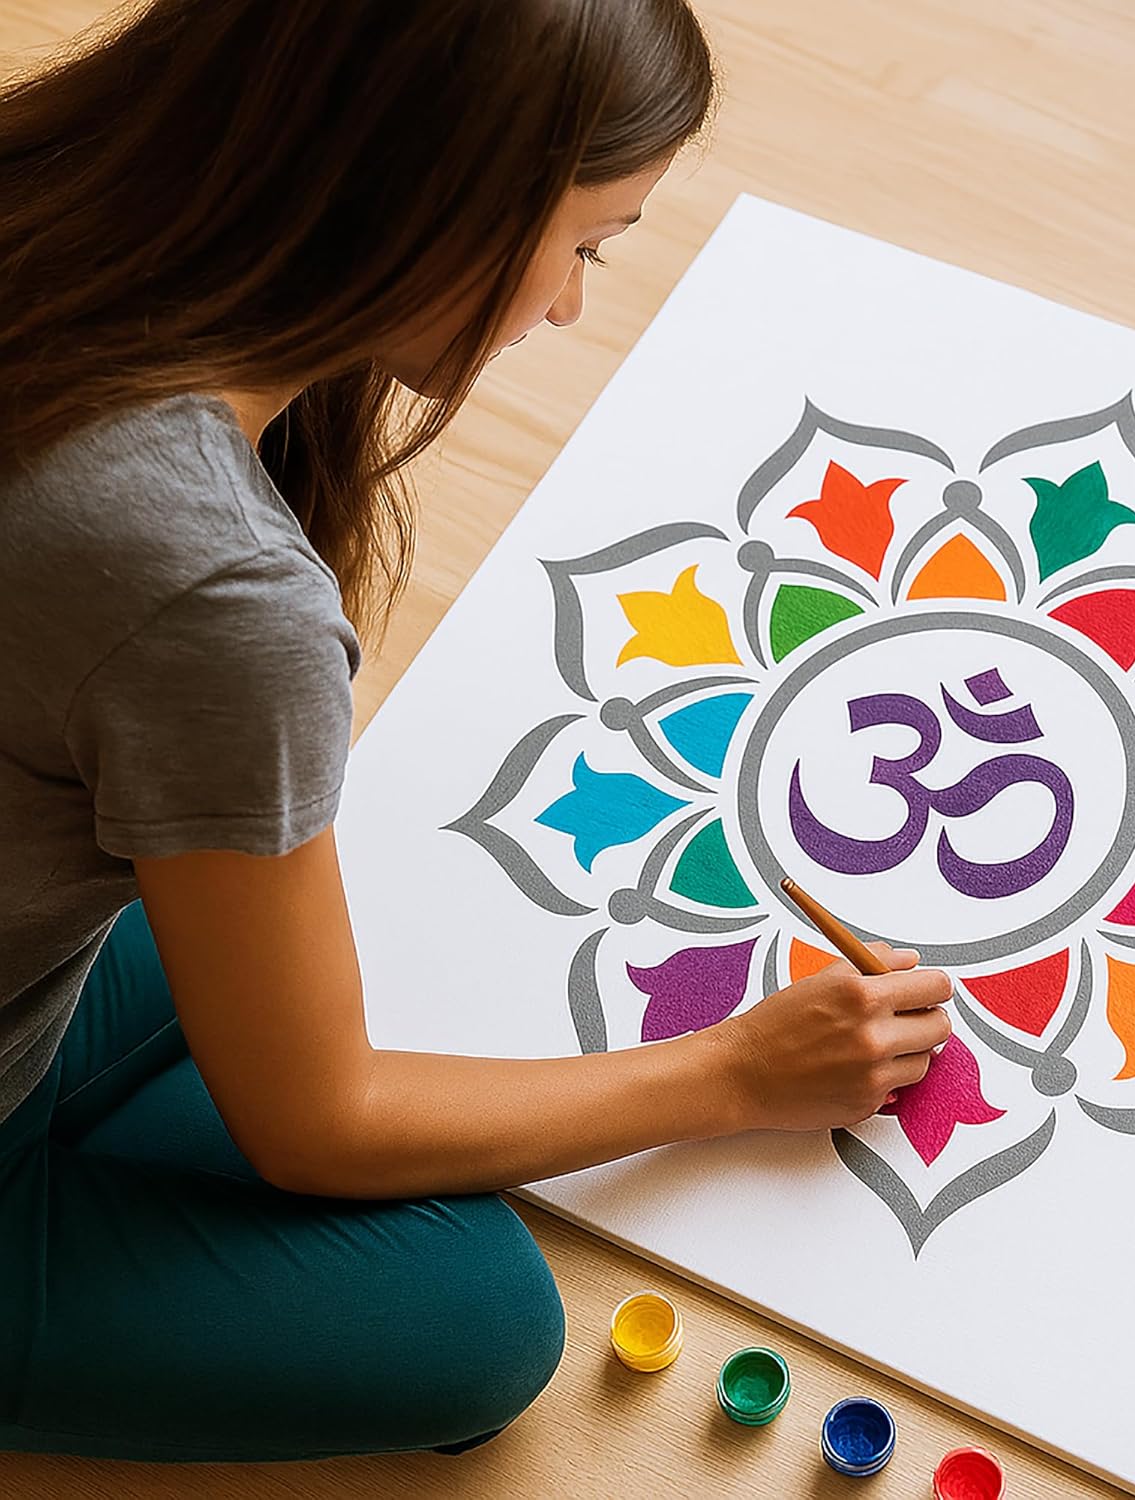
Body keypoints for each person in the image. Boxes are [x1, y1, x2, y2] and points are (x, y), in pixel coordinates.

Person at [0, 0, 952, 1463]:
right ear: (436, 198)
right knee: (480, 1321)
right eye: (587, 241)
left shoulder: (48, 206)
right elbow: (317, 1128)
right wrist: (736, 1073)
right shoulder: (207, 590)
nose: (572, 304)